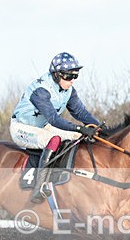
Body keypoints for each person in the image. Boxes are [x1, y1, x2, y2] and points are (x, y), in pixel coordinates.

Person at [10, 52, 102, 203]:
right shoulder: (41, 90)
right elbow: (54, 119)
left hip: (43, 127)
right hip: (22, 128)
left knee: (79, 138)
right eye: (68, 76)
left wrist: (98, 128)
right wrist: (79, 128)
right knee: (54, 140)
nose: (72, 81)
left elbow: (80, 112)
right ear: (56, 74)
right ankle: (39, 187)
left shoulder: (69, 91)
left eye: (75, 76)